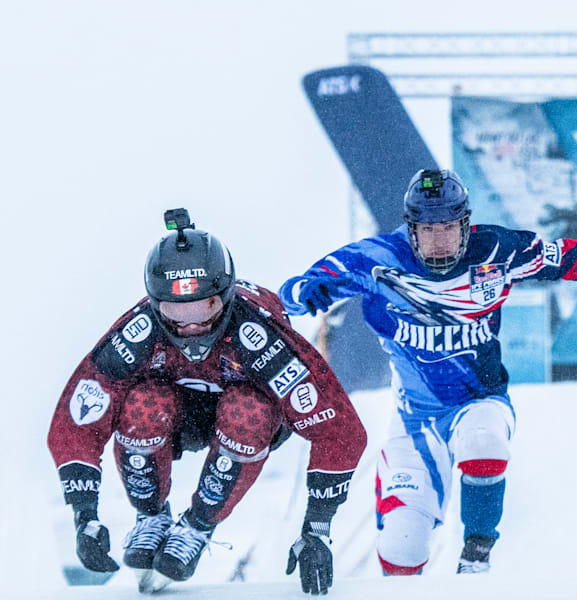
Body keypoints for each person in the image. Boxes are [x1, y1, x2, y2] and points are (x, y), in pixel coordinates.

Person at [278, 168, 577, 576]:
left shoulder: (499, 251)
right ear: (410, 230)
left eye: (449, 227)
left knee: (485, 442)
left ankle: (476, 560)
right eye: (428, 230)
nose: (439, 241)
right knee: (402, 550)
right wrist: (305, 292)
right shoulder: (376, 259)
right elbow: (293, 293)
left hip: (479, 400)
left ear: (467, 225)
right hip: (413, 421)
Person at [47, 209, 367, 595]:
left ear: (226, 296)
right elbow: (77, 418)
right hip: (175, 411)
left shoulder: (260, 334)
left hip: (252, 415)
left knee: (245, 413)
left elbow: (340, 430)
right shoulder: (139, 332)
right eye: (176, 312)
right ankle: (150, 517)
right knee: (143, 405)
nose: (192, 326)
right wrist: (85, 515)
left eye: (205, 308)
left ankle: (197, 527)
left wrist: (317, 528)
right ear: (154, 303)